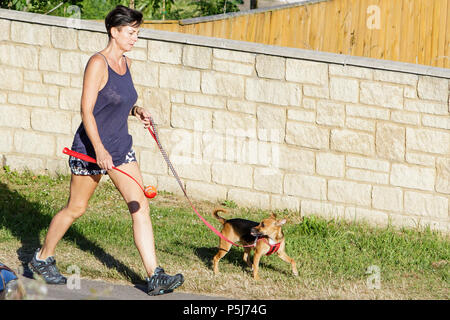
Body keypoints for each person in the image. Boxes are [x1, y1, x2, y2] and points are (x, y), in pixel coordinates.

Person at [29, 5, 184, 296]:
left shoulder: (126, 64)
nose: (135, 38)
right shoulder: (97, 63)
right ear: (114, 31)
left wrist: (137, 110)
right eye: (131, 32)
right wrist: (99, 149)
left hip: (120, 148)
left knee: (140, 206)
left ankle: (155, 276)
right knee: (76, 207)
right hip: (91, 149)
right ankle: (41, 258)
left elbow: (120, 101)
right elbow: (87, 111)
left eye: (137, 33)